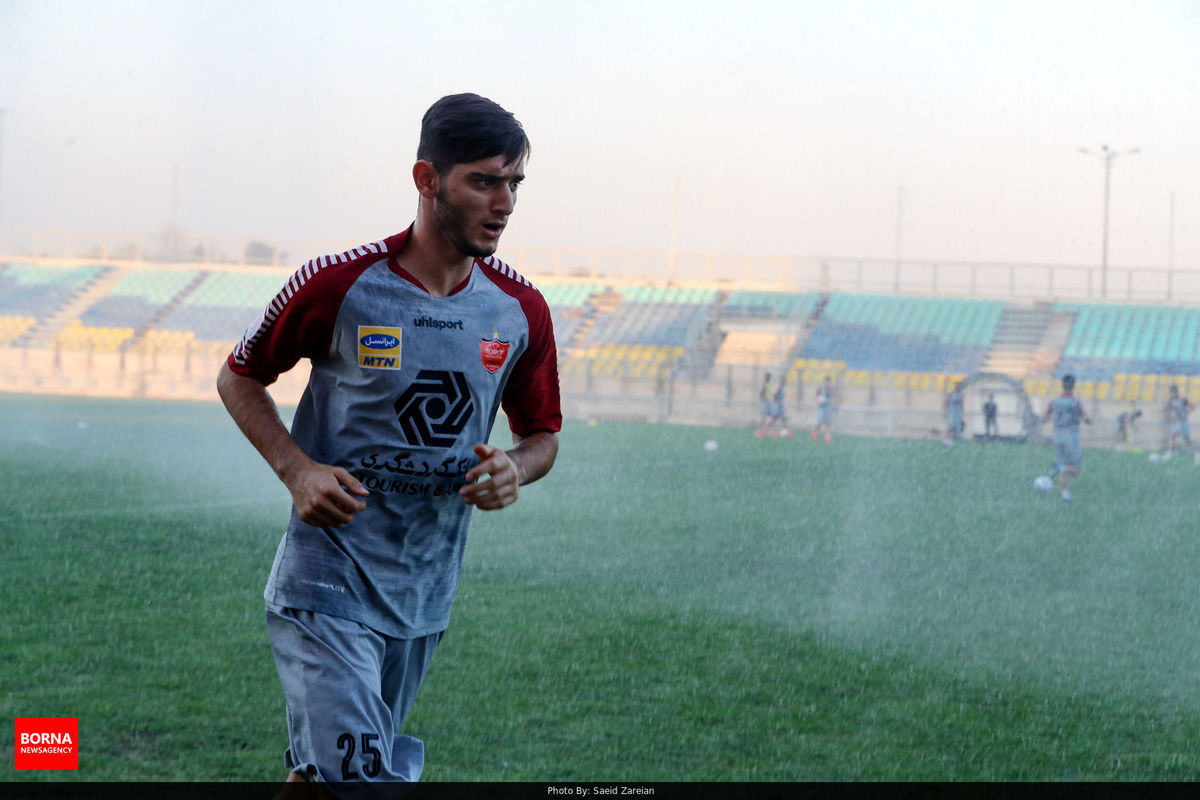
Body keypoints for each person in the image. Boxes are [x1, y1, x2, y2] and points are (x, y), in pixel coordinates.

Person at [216, 93, 561, 787]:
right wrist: (298, 471)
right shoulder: (341, 285)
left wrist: (516, 470)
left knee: (323, 777)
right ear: (426, 179)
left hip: (424, 589)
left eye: (514, 183)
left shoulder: (520, 311)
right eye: (484, 181)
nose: (505, 203)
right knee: (361, 779)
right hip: (326, 580)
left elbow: (542, 434)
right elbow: (239, 377)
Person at [1042, 374, 1092, 503]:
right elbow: (1084, 417)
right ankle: (1060, 468)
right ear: (1073, 385)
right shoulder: (1076, 401)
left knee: (1064, 465)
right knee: (1075, 470)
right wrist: (1090, 421)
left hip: (1057, 436)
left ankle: (1065, 495)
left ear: (1062, 385)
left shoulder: (1054, 401)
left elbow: (1045, 418)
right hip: (1071, 436)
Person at [1163, 385, 1198, 463]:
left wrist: (1186, 414)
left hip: (1184, 422)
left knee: (1173, 436)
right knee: (1187, 440)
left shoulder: (1182, 399)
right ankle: (1197, 454)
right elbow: (1166, 409)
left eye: (1174, 392)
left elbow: (1193, 406)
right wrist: (1168, 404)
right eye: (1171, 392)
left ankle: (1169, 454)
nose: (1172, 393)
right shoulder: (1171, 401)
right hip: (1180, 422)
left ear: (1177, 392)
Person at [943, 379, 965, 446]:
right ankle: (947, 440)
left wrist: (962, 412)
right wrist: (945, 411)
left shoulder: (961, 394)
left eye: (959, 385)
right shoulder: (951, 393)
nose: (958, 387)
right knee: (951, 427)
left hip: (957, 413)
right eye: (957, 385)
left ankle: (951, 440)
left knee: (955, 427)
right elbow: (946, 402)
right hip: (951, 412)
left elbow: (962, 403)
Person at [813, 376, 834, 442]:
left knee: (828, 422)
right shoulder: (820, 388)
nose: (827, 383)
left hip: (827, 407)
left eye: (828, 382)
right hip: (821, 407)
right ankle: (815, 433)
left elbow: (831, 395)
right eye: (826, 381)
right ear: (824, 381)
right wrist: (818, 399)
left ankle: (827, 436)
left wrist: (829, 390)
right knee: (819, 422)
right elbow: (816, 394)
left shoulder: (830, 388)